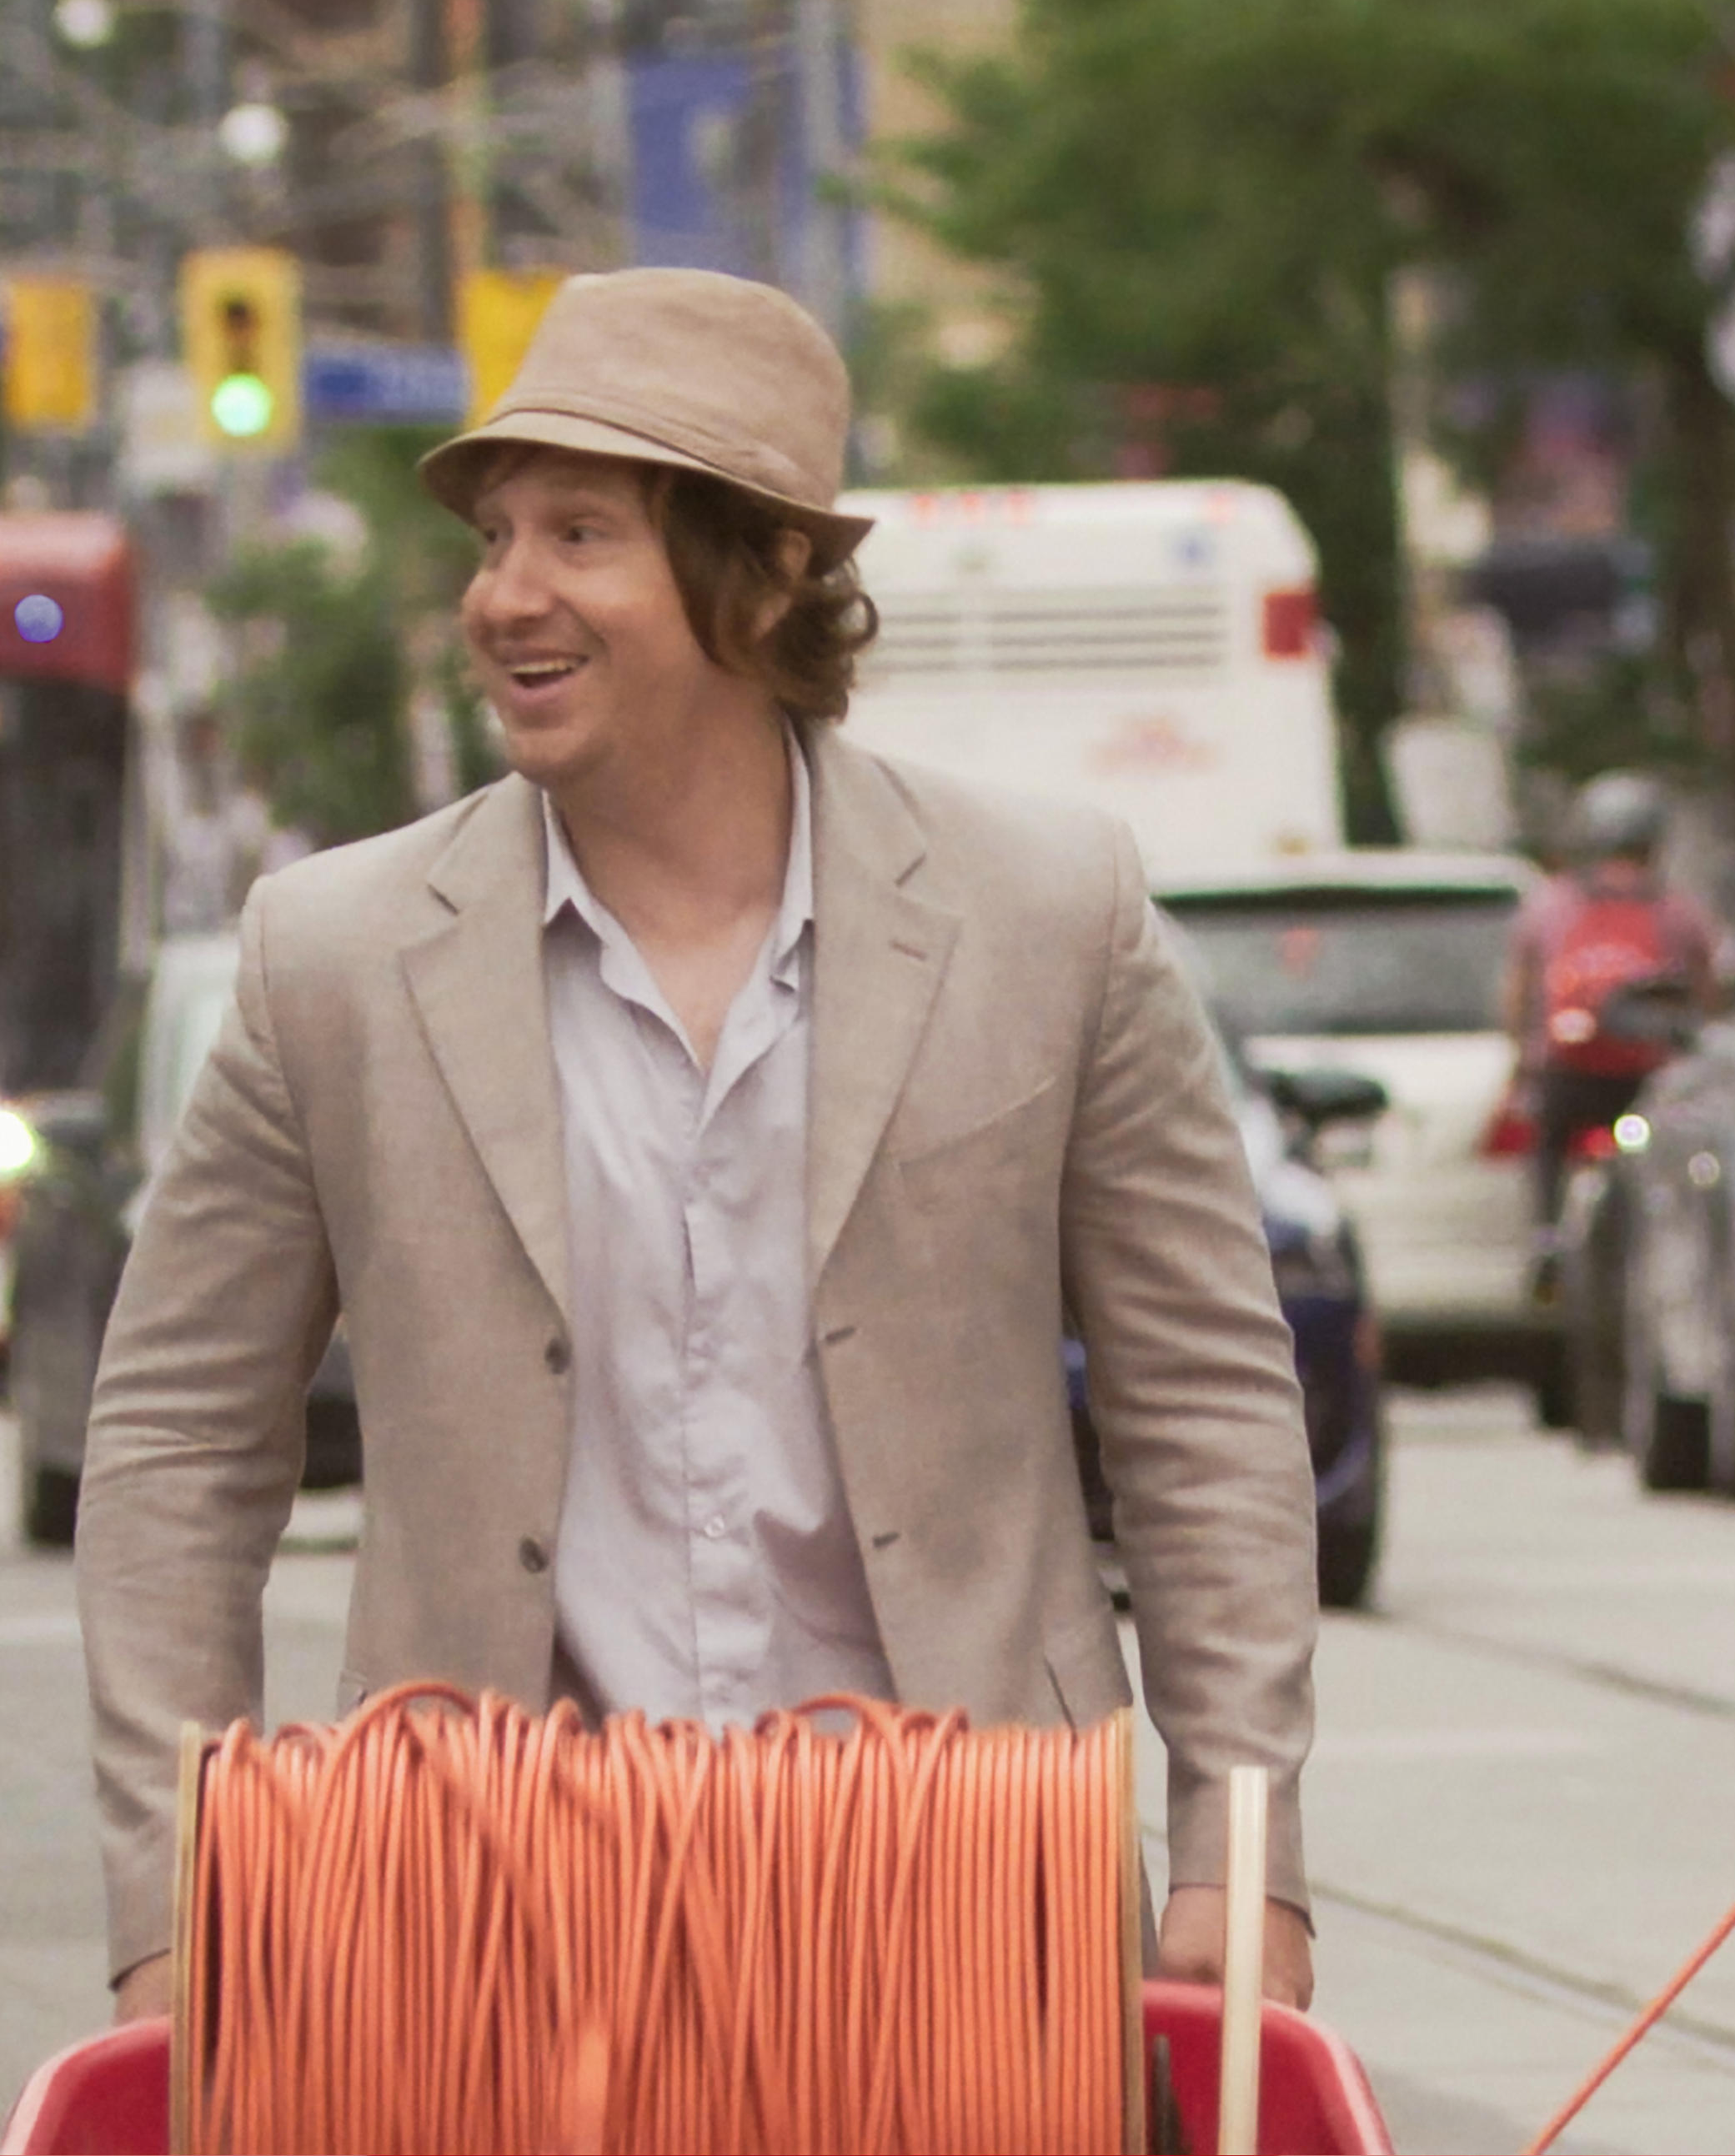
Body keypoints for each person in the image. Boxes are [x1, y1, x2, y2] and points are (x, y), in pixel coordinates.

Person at [77, 268, 1322, 2025]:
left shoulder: (1052, 913)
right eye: (496, 536)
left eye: (579, 534)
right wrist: (172, 1896)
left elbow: (1204, 1405)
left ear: (763, 571)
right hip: (493, 1916)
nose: (505, 594)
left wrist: (1236, 1842)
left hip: (967, 1898)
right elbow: (171, 1450)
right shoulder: (332, 956)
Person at [1500, 770, 1723, 1250]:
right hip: (1647, 1077)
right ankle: (1678, 1239)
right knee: (1683, 1157)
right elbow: (1708, 995)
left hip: (1569, 1075)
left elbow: (1520, 995)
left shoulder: (1550, 902)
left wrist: (1523, 1064)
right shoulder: (1676, 909)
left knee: (1549, 1140)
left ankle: (1546, 1235)